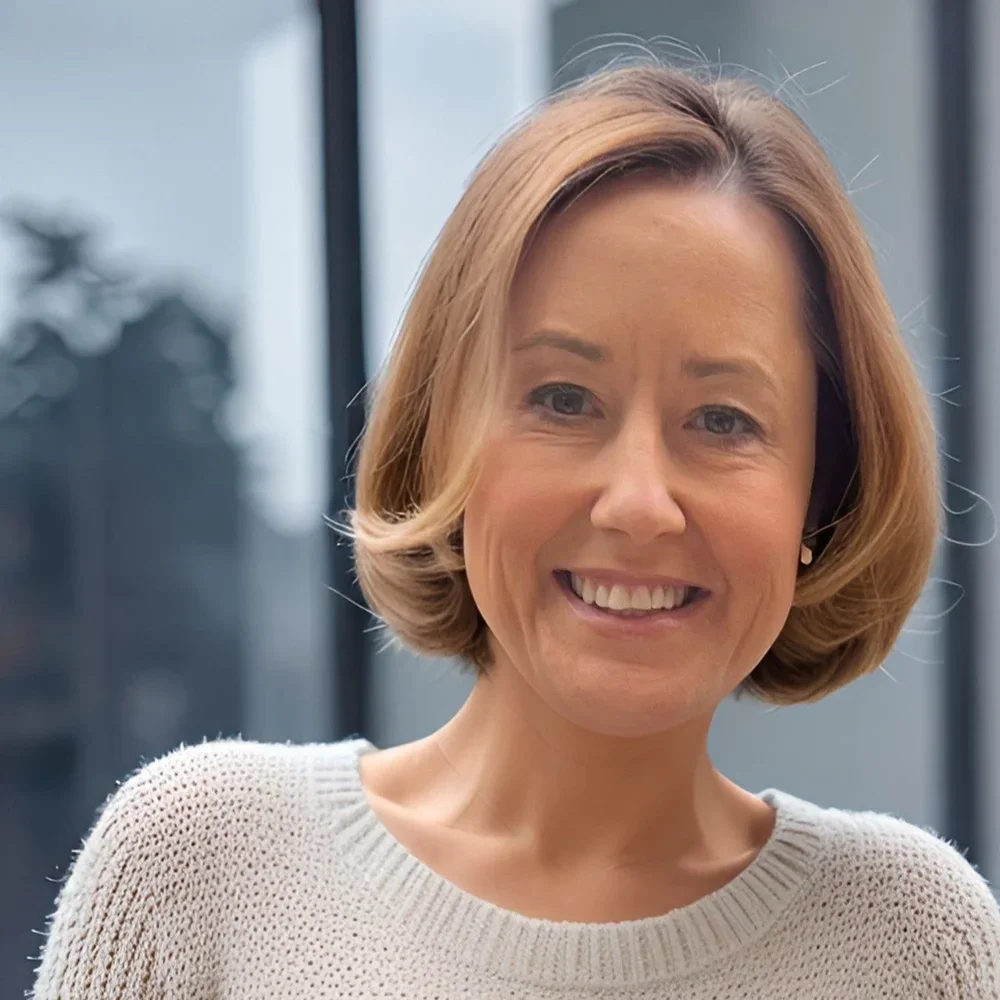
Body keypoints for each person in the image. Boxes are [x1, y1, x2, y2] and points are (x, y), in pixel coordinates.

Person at [30, 63, 1000, 999]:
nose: (637, 502)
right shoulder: (203, 864)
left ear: (820, 494)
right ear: (444, 443)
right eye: (564, 399)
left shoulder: (914, 940)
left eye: (722, 419)